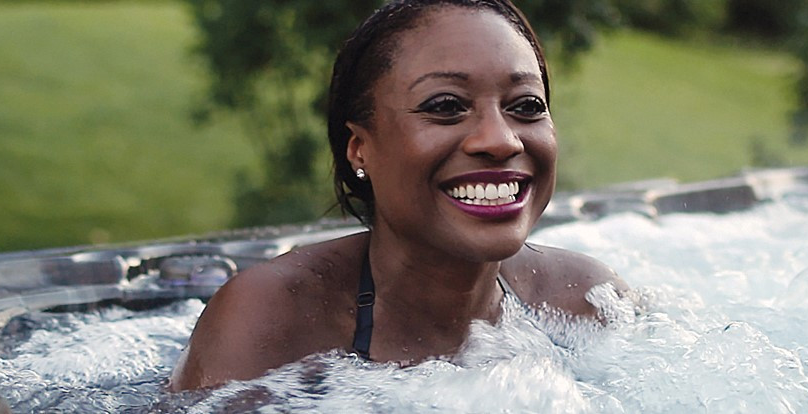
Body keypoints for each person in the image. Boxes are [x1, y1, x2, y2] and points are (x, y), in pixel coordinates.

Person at [169, 0, 626, 390]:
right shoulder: (276, 320)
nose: (502, 140)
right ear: (360, 149)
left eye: (526, 106)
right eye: (446, 106)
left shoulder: (583, 303)